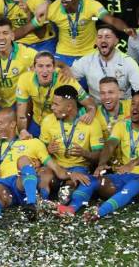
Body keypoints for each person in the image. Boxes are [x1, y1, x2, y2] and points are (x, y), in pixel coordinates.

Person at [84, 90, 139, 222]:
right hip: (124, 176)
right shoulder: (121, 125)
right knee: (97, 181)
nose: (135, 108)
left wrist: (132, 164)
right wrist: (101, 164)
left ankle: (100, 212)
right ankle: (71, 208)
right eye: (133, 103)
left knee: (133, 186)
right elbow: (110, 145)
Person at [40, 0, 132, 65]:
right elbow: (37, 29)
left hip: (90, 53)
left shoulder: (91, 5)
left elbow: (112, 20)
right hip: (63, 54)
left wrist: (126, 29)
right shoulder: (53, 8)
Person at [36, 85, 103, 216]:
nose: (52, 107)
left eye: (56, 104)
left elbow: (99, 156)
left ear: (69, 107)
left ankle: (64, 200)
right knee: (44, 174)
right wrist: (48, 150)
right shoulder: (48, 120)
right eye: (52, 103)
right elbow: (40, 151)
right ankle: (41, 201)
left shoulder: (91, 123)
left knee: (74, 182)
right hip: (55, 167)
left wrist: (84, 153)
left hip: (78, 168)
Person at [16, 51, 96, 138]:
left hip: (59, 123)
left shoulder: (65, 79)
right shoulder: (25, 79)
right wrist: (22, 130)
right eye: (40, 66)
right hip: (37, 122)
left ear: (54, 68)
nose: (45, 71)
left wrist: (91, 112)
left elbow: (90, 104)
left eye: (48, 66)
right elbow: (21, 114)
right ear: (34, 68)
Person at [69, 25, 139, 102]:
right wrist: (85, 98)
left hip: (122, 105)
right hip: (97, 106)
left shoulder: (128, 62)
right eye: (99, 37)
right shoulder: (87, 60)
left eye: (107, 37)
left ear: (116, 41)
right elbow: (67, 78)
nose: (103, 40)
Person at [0, 18, 37, 108]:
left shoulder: (25, 53)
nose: (1, 37)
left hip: (19, 102)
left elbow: (46, 60)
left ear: (12, 36)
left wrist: (62, 67)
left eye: (5, 33)